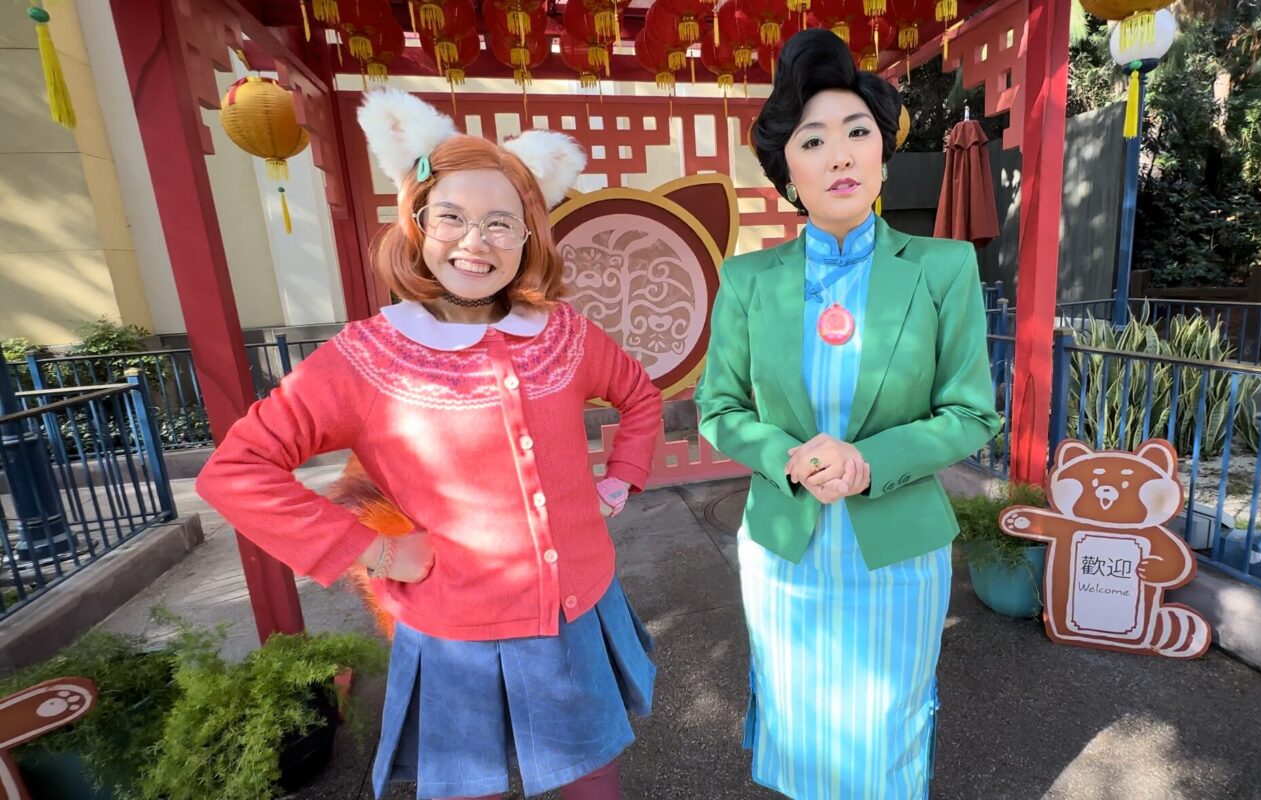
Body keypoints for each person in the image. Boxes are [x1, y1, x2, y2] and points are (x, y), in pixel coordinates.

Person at [195, 88, 663, 800]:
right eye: (451, 217)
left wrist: (616, 481)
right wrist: (376, 551)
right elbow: (237, 470)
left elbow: (640, 397)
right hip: (452, 627)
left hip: (575, 607)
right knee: (465, 786)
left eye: (501, 222)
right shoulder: (363, 357)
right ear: (416, 223)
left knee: (589, 772)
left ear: (529, 237)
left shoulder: (564, 334)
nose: (476, 241)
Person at [694, 28, 1003, 799]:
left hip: (896, 551)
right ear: (787, 172)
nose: (839, 155)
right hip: (785, 550)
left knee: (885, 723)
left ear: (882, 153)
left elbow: (970, 413)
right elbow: (718, 408)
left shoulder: (942, 267)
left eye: (857, 133)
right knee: (797, 716)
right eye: (813, 140)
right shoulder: (747, 280)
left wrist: (871, 461)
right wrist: (786, 455)